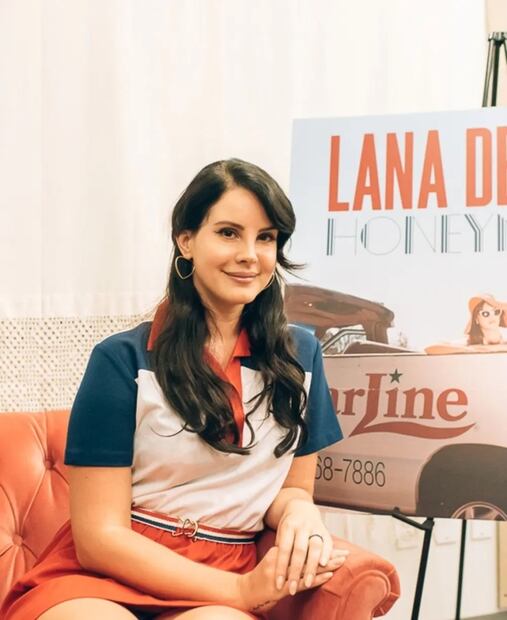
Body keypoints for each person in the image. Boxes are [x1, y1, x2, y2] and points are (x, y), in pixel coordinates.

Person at [2, 159, 345, 620]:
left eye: (266, 237)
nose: (250, 254)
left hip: (224, 566)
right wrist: (240, 590)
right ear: (186, 240)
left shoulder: (300, 356)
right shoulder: (122, 359)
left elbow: (293, 489)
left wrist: (301, 512)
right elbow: (100, 538)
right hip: (112, 571)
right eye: (228, 233)